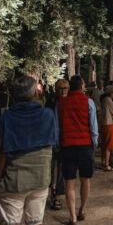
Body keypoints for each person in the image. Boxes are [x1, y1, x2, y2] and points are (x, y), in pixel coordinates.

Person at [0, 75, 59, 225]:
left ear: (14, 95)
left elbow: (1, 151)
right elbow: (53, 144)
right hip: (40, 178)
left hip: (14, 180)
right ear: (36, 94)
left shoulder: (7, 117)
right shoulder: (48, 115)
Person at [57, 76, 98, 225]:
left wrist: (59, 142)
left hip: (67, 145)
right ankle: (82, 209)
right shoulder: (89, 102)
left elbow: (58, 125)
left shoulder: (61, 103)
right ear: (82, 87)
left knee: (70, 182)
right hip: (85, 145)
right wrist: (94, 143)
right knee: (85, 179)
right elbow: (93, 125)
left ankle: (72, 217)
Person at [47, 79, 69, 211]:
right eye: (60, 88)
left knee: (62, 170)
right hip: (51, 140)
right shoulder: (50, 103)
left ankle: (58, 196)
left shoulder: (69, 103)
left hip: (64, 140)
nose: (63, 91)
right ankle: (52, 192)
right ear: (56, 89)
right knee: (49, 169)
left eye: (65, 88)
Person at [99, 85, 113, 172]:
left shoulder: (104, 100)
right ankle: (106, 164)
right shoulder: (108, 100)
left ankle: (103, 162)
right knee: (108, 145)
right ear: (111, 93)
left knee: (104, 144)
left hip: (104, 124)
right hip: (110, 124)